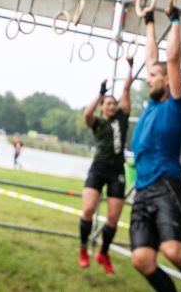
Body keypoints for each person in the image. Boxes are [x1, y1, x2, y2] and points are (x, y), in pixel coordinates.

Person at [129, 5, 181, 292]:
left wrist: (175, 21)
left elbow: (170, 59)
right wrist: (149, 22)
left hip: (167, 186)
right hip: (143, 189)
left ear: (166, 80)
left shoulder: (176, 106)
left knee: (173, 251)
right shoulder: (151, 104)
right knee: (141, 259)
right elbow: (152, 57)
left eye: (154, 76)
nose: (148, 78)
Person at [78, 59, 134, 274]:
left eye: (113, 103)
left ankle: (103, 252)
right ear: (103, 107)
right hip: (98, 169)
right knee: (89, 210)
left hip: (116, 172)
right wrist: (101, 93)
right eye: (107, 104)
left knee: (113, 218)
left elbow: (126, 89)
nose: (112, 106)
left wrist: (130, 67)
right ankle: (83, 249)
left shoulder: (122, 117)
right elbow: (87, 114)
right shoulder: (98, 123)